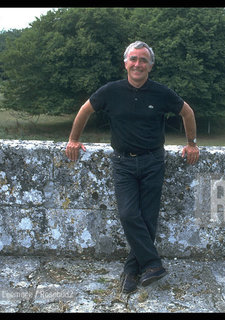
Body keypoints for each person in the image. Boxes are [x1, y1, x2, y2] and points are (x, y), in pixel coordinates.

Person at [65, 41, 199, 294]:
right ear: (125, 63)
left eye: (143, 60)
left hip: (153, 162)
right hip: (123, 163)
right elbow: (84, 111)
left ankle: (130, 271)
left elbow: (187, 112)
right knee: (128, 214)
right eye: (134, 59)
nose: (138, 64)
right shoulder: (110, 91)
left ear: (151, 66)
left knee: (147, 219)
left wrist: (191, 143)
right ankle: (152, 263)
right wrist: (73, 140)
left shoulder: (161, 93)